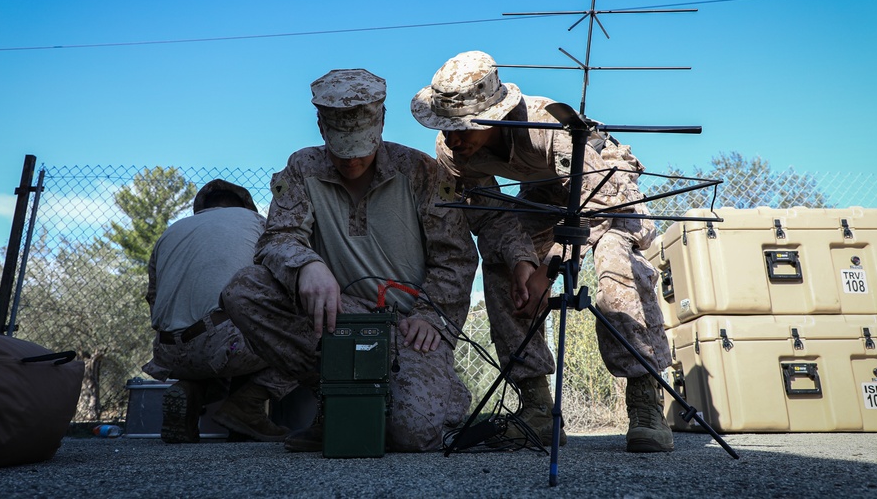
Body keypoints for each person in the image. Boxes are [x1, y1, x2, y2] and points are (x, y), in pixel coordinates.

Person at [411, 50, 674, 453]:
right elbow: (490, 217)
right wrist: (521, 262)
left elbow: (594, 208)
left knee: (615, 262)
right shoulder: (453, 150)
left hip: (604, 187)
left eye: (463, 127)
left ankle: (644, 399)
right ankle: (535, 403)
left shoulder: (548, 125)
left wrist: (547, 270)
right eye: (446, 127)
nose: (452, 137)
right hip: (545, 193)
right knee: (501, 267)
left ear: (495, 116)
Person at [220, 68, 477, 452]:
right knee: (245, 290)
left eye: (362, 147)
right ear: (322, 128)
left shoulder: (420, 172)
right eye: (342, 150)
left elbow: (455, 257)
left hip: (406, 329)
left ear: (382, 124)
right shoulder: (302, 169)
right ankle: (334, 401)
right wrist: (307, 265)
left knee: (412, 434)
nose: (352, 161)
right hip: (334, 317)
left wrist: (430, 316)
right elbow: (278, 238)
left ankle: (444, 399)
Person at [143, 179, 289, 444]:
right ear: (247, 205)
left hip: (168, 352)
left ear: (201, 208)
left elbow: (152, 297)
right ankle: (247, 407)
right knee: (310, 331)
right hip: (225, 345)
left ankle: (191, 391)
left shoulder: (170, 232)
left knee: (223, 335)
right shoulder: (257, 222)